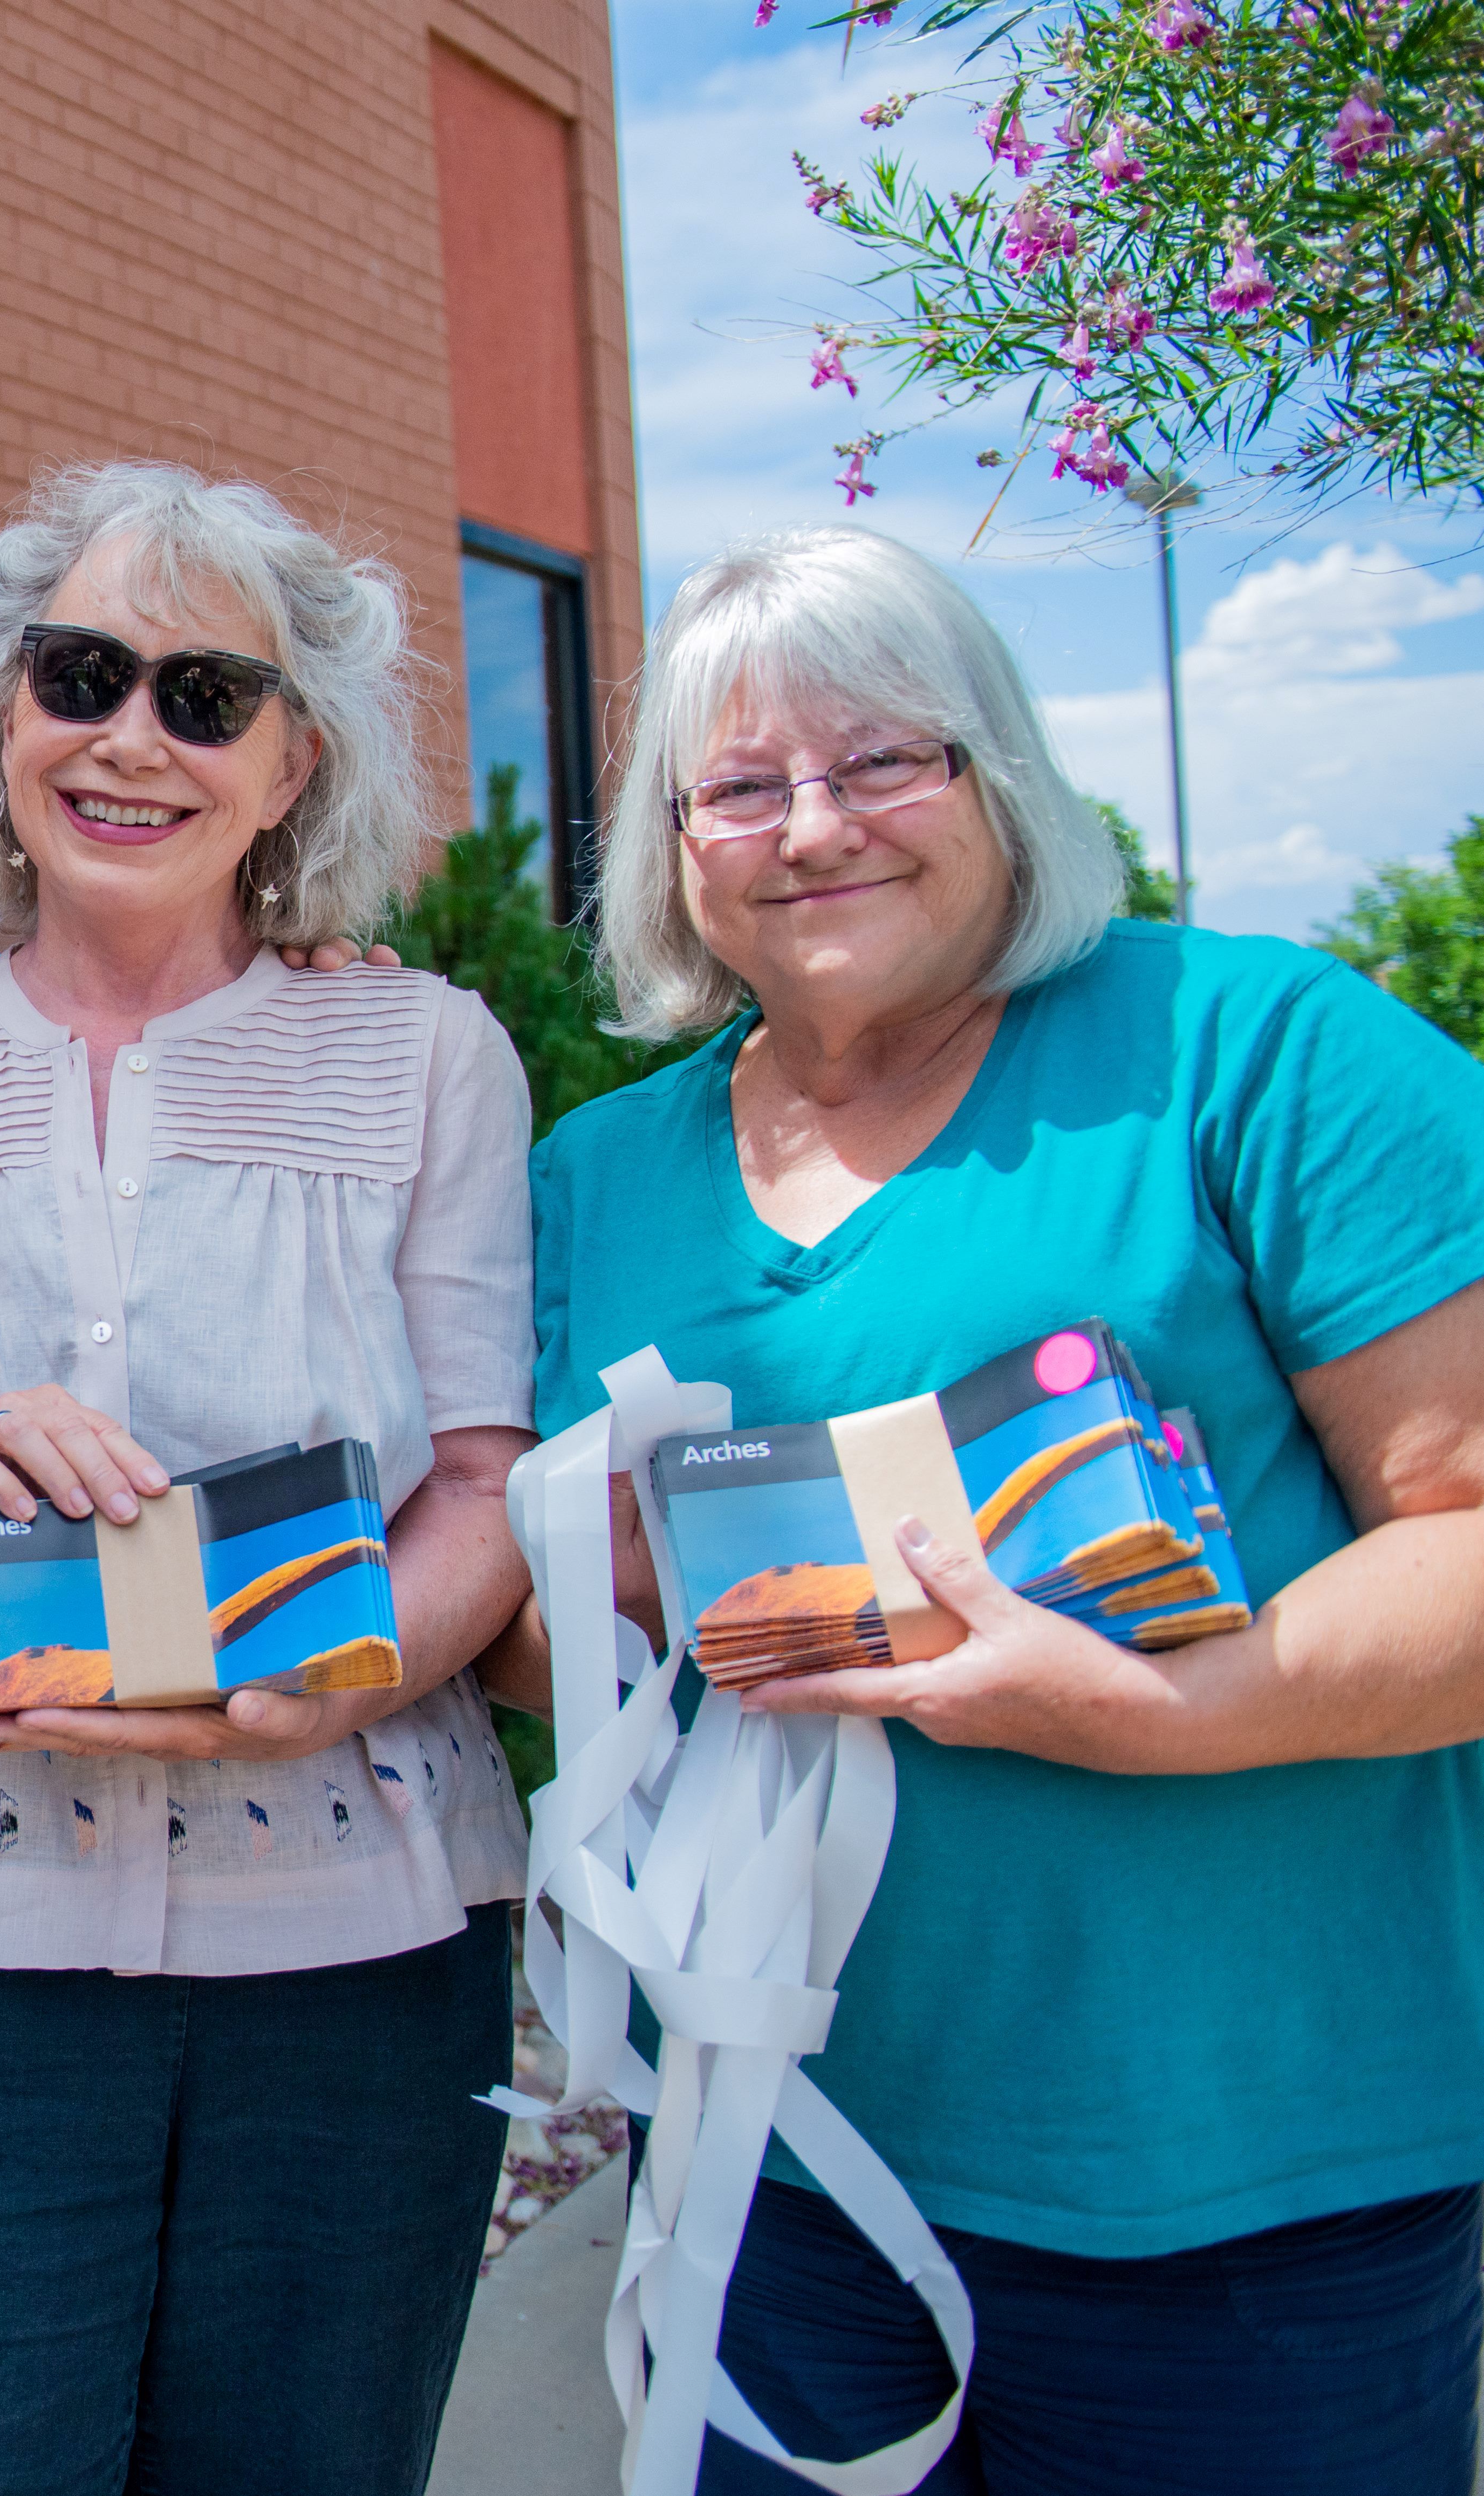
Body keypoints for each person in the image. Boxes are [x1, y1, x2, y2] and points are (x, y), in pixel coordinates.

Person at [507, 524, 1484, 2492]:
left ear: (1001, 778)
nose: (810, 828)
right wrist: (597, 1613)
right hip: (780, 2174)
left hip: (1246, 2190)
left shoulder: (1253, 1051)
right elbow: (573, 1630)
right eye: (742, 786)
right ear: (671, 842)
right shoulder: (601, 1172)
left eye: (884, 761)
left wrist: (1158, 1711)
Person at [0, 460, 540, 2496]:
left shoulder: (427, 1060)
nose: (127, 738)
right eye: (77, 674)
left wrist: (340, 1669)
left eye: (203, 696)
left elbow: (483, 1491)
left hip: (353, 1954)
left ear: (289, 763)